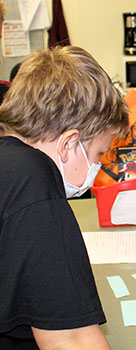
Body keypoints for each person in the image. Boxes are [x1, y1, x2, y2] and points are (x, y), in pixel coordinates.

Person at [0, 46, 128, 349]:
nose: (97, 167)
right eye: (98, 153)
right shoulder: (34, 184)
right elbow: (72, 340)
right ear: (69, 143)